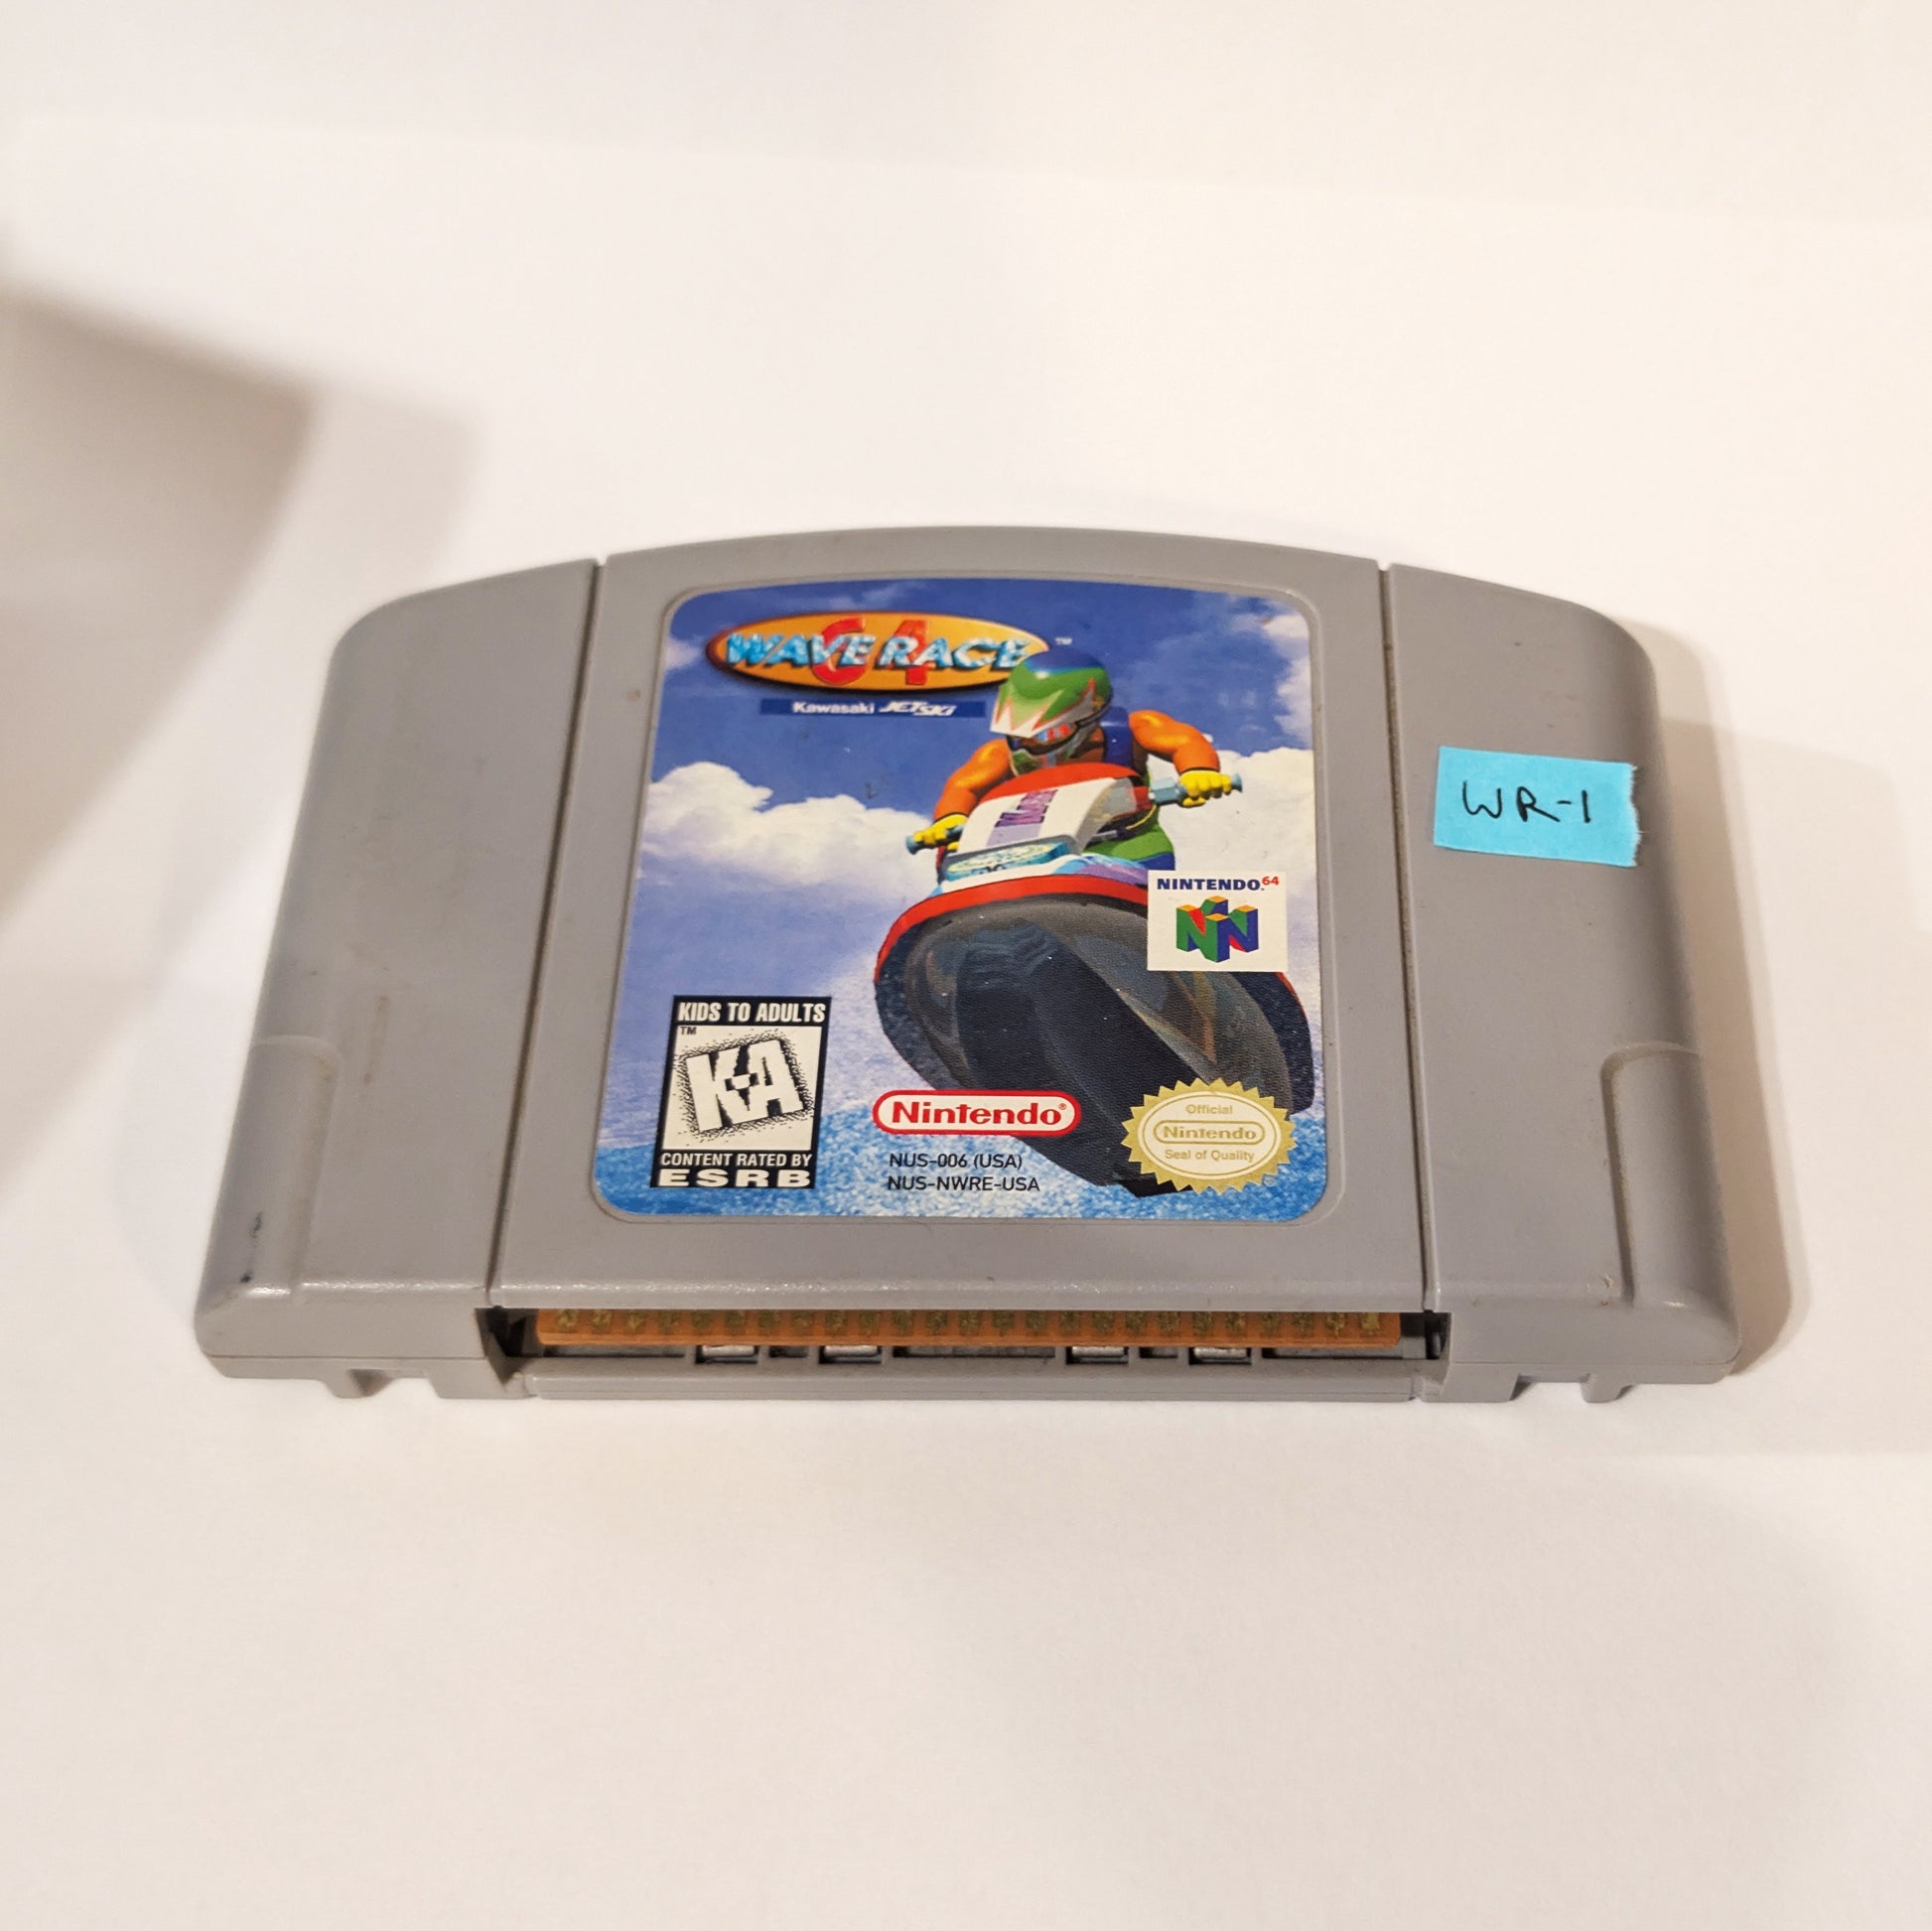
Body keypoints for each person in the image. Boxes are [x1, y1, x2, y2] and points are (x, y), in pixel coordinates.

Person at [909, 645, 1233, 865]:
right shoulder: (1000, 753)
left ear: (1089, 718)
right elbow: (964, 785)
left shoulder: (1134, 728)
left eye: (1047, 734)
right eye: (1020, 733)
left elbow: (1184, 741)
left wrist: (1198, 772)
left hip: (1129, 846)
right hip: (1035, 853)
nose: (1031, 744)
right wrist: (951, 819)